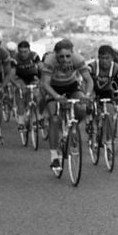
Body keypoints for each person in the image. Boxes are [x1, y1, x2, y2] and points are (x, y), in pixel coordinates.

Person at [39, 39, 94, 175]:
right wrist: (56, 97)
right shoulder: (50, 60)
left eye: (68, 56)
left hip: (71, 85)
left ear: (72, 53)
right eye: (61, 56)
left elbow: (88, 80)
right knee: (55, 118)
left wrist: (86, 95)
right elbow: (45, 83)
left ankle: (71, 129)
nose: (64, 59)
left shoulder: (78, 59)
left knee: (81, 109)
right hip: (53, 87)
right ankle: (54, 156)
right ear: (55, 54)